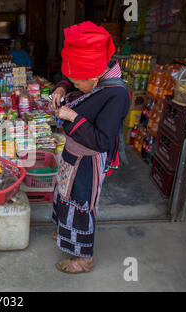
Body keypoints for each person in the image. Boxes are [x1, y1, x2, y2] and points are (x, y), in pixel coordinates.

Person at [50, 21, 130, 273]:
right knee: (64, 195)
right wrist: (62, 86)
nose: (74, 84)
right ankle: (66, 232)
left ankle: (84, 260)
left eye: (77, 82)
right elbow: (72, 78)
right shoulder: (92, 76)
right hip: (73, 152)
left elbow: (102, 141)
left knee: (81, 205)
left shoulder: (116, 94)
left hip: (88, 159)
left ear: (94, 78)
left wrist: (73, 117)